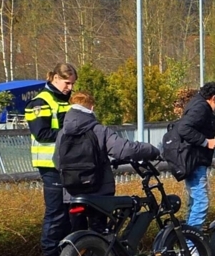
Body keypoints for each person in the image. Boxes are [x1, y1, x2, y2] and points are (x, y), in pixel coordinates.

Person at [55, 91, 161, 231]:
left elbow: (57, 161)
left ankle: (76, 252)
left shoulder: (62, 133)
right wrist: (151, 150)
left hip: (72, 193)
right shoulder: (99, 130)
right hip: (99, 190)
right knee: (99, 231)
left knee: (77, 233)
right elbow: (124, 150)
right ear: (91, 108)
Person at [26, 62, 77, 256]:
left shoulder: (65, 101)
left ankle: (67, 255)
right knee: (56, 212)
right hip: (49, 166)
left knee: (71, 212)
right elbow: (42, 133)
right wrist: (74, 134)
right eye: (67, 83)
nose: (70, 88)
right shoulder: (39, 102)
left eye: (73, 84)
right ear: (55, 78)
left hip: (67, 164)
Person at [178, 82, 215, 227]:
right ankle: (192, 245)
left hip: (193, 160)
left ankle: (188, 241)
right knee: (201, 202)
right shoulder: (201, 108)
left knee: (194, 202)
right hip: (195, 161)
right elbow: (184, 128)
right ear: (213, 98)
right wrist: (206, 142)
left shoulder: (196, 104)